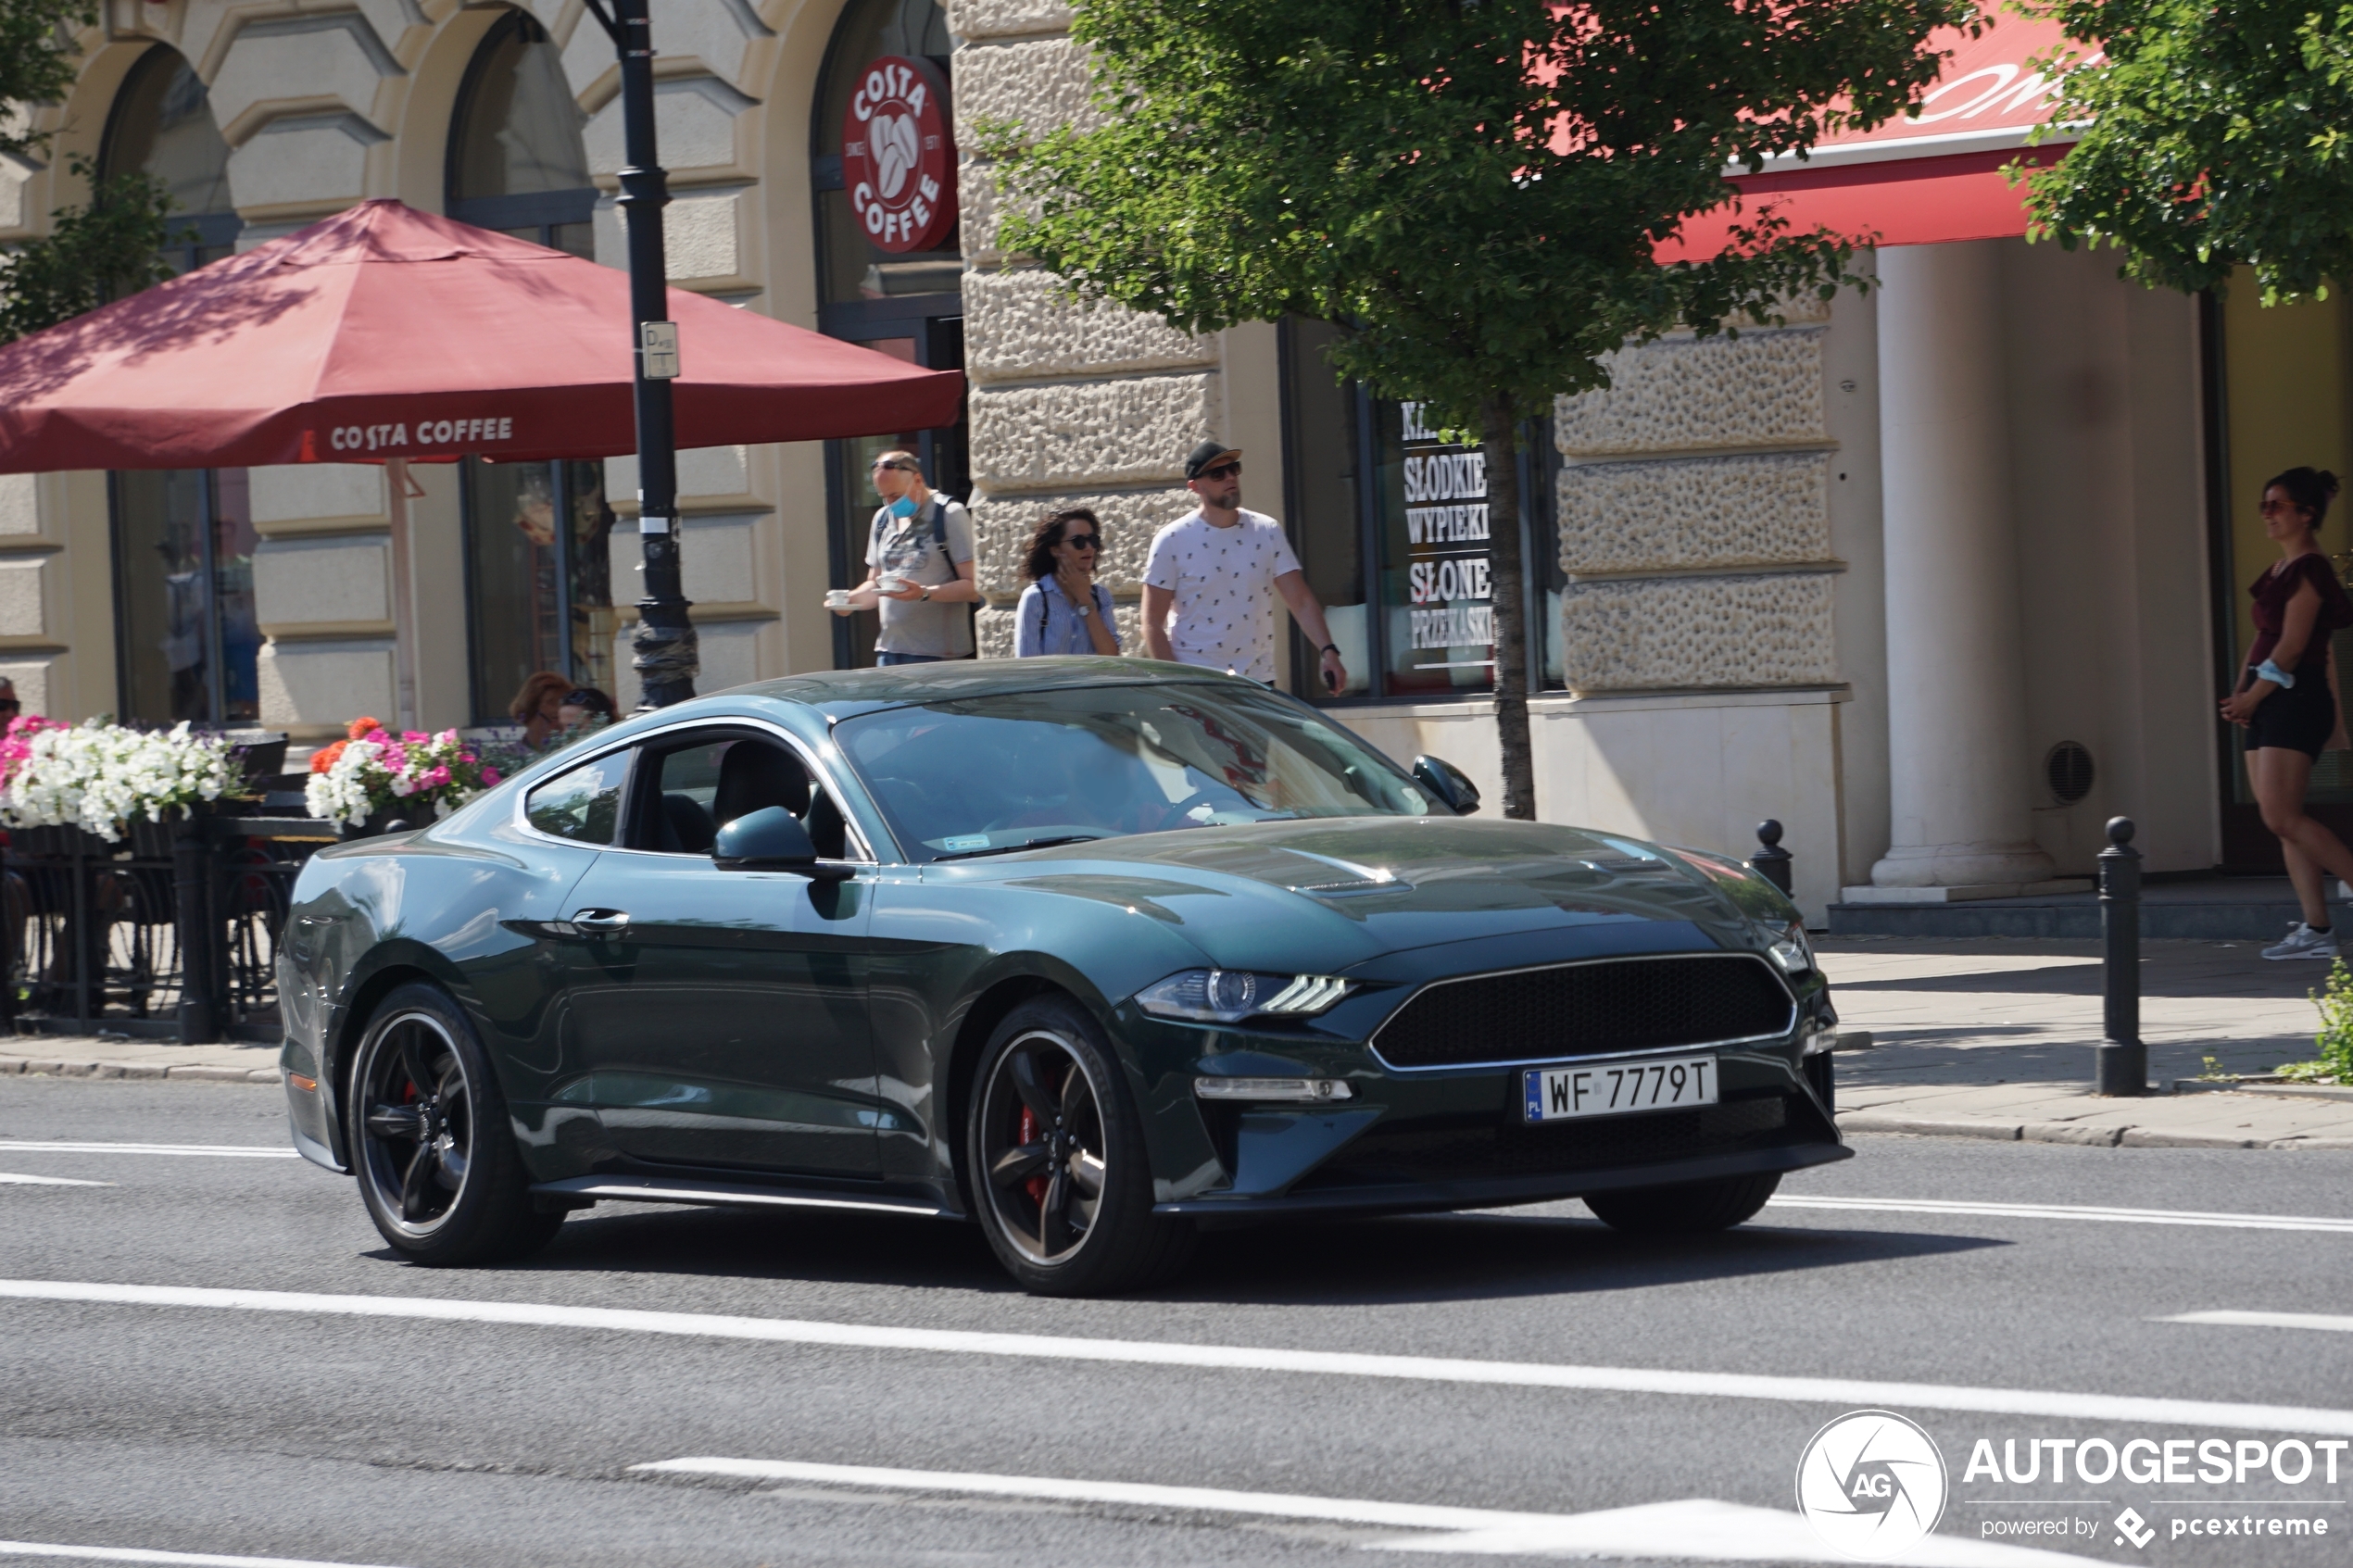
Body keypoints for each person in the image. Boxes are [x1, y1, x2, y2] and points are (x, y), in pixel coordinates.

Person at [2220, 467, 2353, 959]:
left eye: (2277, 506)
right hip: (2268, 698)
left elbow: (2294, 645)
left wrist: (2253, 696)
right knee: (2280, 818)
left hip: (2296, 698)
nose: (2268, 515)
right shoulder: (2279, 571)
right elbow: (2264, 635)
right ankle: (2317, 930)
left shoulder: (2311, 569)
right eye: (2264, 506)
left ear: (2306, 513)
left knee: (2281, 815)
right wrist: (2242, 688)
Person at [1141, 439, 1347, 692]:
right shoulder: (1171, 540)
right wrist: (1177, 686)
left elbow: (1300, 600)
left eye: (1233, 469)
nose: (1230, 478)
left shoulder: (1266, 530)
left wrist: (1329, 651)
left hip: (1258, 679)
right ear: (1195, 487)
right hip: (1197, 681)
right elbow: (1151, 623)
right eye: (1218, 474)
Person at [830, 450, 979, 665]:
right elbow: (875, 583)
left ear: (917, 480)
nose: (890, 504)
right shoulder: (882, 519)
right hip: (889, 651)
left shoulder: (949, 514)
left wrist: (924, 593)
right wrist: (850, 602)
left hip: (939, 656)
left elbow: (975, 587)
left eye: (895, 496)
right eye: (884, 498)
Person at [1013, 508, 1120, 658]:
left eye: (1093, 540)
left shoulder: (1101, 597)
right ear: (1056, 550)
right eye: (1079, 541)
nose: (1089, 547)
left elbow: (1112, 656)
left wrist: (1085, 601)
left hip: (1092, 681)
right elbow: (1028, 665)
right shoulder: (1036, 598)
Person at [509, 670, 572, 751]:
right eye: (551, 702)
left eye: (562, 702)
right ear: (531, 705)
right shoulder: (508, 757)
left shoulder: (570, 753)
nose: (558, 709)